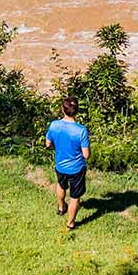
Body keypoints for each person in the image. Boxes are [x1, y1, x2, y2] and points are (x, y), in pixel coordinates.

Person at [44, 97, 90, 230]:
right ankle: (70, 224)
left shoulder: (54, 125)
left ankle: (61, 207)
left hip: (60, 165)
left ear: (62, 109)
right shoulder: (81, 130)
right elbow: (86, 155)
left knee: (61, 185)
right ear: (77, 111)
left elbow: (47, 144)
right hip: (76, 169)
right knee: (75, 197)